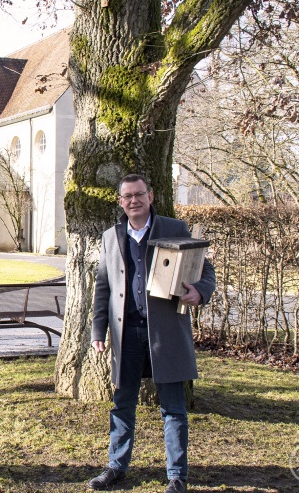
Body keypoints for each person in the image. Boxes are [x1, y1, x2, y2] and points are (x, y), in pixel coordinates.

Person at [88, 174, 216, 493]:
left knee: (173, 406)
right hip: (125, 334)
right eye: (127, 196)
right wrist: (98, 329)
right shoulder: (110, 236)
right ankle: (116, 467)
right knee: (122, 403)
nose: (134, 201)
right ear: (121, 202)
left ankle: (177, 475)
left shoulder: (174, 229)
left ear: (151, 196)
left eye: (139, 194)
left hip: (166, 332)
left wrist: (199, 291)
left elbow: (205, 269)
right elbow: (103, 286)